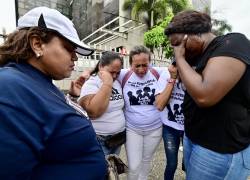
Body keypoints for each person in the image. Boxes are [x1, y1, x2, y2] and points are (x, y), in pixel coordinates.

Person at [0, 7, 107, 180]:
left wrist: (71, 98)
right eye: (68, 48)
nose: (75, 57)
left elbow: (51, 123)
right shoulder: (9, 87)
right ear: (37, 44)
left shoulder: (37, 80)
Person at [164, 10, 250, 180]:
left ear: (194, 34)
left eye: (178, 44)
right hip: (194, 139)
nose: (177, 49)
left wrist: (180, 58)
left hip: (219, 149)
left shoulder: (233, 43)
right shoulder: (198, 56)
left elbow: (205, 96)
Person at [118, 45, 163, 180]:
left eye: (145, 65)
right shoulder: (123, 75)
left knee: (146, 161)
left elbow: (179, 69)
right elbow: (103, 70)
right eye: (136, 66)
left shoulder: (158, 73)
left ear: (150, 62)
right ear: (130, 63)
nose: (141, 69)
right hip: (132, 129)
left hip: (155, 129)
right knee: (133, 165)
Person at [78, 51, 126, 156]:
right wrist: (107, 82)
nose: (114, 76)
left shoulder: (117, 82)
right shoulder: (92, 83)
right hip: (100, 140)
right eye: (111, 72)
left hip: (117, 139)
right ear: (101, 66)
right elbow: (93, 112)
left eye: (118, 73)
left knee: (113, 169)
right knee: (102, 171)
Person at [155, 63, 185, 180]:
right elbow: (160, 104)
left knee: (188, 164)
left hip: (191, 129)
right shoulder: (166, 74)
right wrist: (172, 78)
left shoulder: (195, 73)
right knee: (171, 164)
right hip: (170, 128)